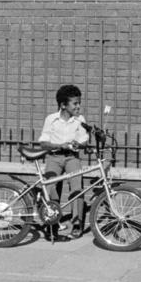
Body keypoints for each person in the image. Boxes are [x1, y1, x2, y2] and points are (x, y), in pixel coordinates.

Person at [37, 84, 91, 240]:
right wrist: (59, 145)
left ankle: (76, 223)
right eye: (75, 103)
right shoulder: (51, 119)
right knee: (52, 189)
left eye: (79, 102)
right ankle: (52, 223)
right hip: (54, 156)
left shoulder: (80, 120)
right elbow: (43, 142)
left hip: (72, 156)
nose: (78, 106)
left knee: (76, 187)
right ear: (63, 105)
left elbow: (84, 141)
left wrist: (78, 144)